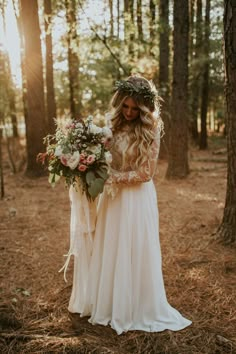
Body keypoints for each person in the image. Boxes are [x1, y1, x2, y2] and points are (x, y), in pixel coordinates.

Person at [68, 75, 192, 335]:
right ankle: (110, 303)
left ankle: (136, 305)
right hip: (112, 199)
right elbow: (103, 158)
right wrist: (88, 165)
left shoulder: (151, 130)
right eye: (125, 106)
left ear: (145, 108)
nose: (129, 112)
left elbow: (146, 173)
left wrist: (114, 177)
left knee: (133, 248)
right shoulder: (110, 126)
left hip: (137, 200)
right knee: (111, 245)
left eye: (135, 109)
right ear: (119, 103)